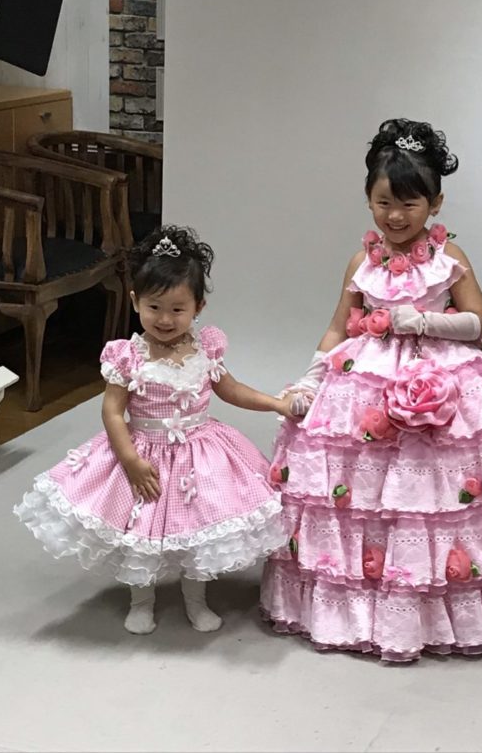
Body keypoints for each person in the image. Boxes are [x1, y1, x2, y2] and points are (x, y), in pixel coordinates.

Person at [260, 118, 482, 661]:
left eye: (409, 204)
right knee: (367, 490)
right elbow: (339, 327)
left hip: (444, 377)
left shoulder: (449, 258)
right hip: (369, 382)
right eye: (383, 202)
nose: (395, 216)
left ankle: (445, 602)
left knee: (441, 494)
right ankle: (370, 601)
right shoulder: (361, 262)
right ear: (368, 200)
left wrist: (422, 321)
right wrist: (312, 378)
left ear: (435, 204)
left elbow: (479, 322)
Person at [15, 225, 294, 635]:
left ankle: (195, 599)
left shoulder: (205, 348)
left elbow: (231, 389)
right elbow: (113, 412)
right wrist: (129, 460)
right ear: (135, 302)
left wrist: (275, 402)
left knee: (198, 528)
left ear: (198, 307)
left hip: (200, 455)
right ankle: (141, 600)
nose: (165, 319)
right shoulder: (128, 355)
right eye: (154, 307)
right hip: (145, 453)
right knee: (140, 528)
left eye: (177, 309)